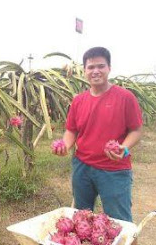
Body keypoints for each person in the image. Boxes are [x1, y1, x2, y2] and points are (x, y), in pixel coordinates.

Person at [53, 47, 142, 222]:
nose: (95, 71)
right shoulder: (78, 100)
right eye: (90, 67)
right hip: (82, 168)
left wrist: (124, 148)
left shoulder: (125, 97)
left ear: (109, 68)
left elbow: (136, 131)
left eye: (101, 66)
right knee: (81, 218)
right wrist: (65, 145)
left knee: (120, 222)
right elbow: (71, 130)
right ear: (84, 70)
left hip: (114, 170)